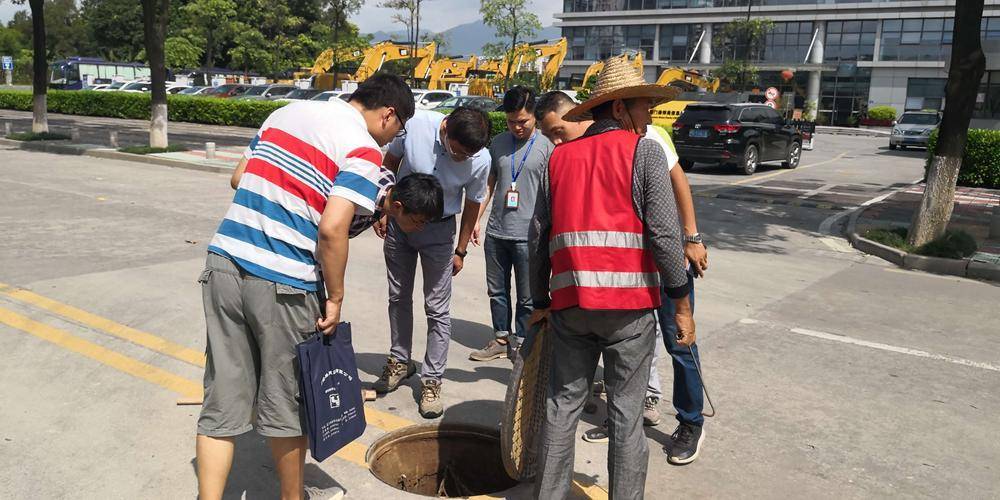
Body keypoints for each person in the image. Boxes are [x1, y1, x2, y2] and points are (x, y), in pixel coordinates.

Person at [196, 73, 445, 500]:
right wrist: (336, 297)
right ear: (388, 114)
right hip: (283, 281)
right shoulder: (364, 149)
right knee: (287, 403)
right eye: (398, 128)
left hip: (223, 262)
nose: (393, 137)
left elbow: (239, 178)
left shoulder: (284, 113)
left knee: (222, 400)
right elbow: (332, 229)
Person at [529, 57, 695, 500]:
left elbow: (538, 236)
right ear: (620, 108)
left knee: (562, 408)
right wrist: (681, 304)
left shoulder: (558, 158)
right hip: (629, 314)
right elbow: (664, 235)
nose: (648, 118)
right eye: (644, 108)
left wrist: (538, 298)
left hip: (570, 308)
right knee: (625, 415)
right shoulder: (644, 152)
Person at [374, 106, 492, 418]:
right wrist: (385, 209)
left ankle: (432, 379)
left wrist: (461, 249)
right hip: (400, 225)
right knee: (397, 296)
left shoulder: (480, 158)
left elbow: (473, 202)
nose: (465, 158)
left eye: (471, 153)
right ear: (446, 130)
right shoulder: (415, 126)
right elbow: (391, 162)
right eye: (460, 151)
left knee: (437, 308)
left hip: (439, 231)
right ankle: (400, 361)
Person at [468, 86, 554, 362]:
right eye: (511, 122)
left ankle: (523, 343)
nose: (517, 127)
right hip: (497, 232)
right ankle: (501, 338)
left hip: (530, 235)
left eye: (523, 121)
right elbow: (489, 184)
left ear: (535, 117)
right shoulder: (498, 144)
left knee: (528, 296)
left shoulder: (547, 147)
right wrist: (476, 220)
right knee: (497, 290)